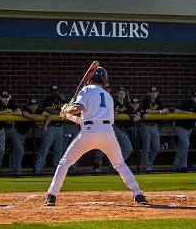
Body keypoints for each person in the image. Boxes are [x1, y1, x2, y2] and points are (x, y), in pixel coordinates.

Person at [44, 67, 147, 206]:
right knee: (120, 165)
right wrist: (68, 115)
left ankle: (52, 195)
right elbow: (86, 119)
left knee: (65, 163)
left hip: (88, 132)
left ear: (91, 79)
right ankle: (139, 194)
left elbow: (79, 109)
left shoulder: (86, 90)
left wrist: (67, 109)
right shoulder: (108, 96)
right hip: (107, 133)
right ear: (104, 81)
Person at [92, 87, 133, 171]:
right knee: (104, 146)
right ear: (117, 94)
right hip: (113, 127)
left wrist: (137, 114)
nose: (121, 95)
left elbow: (133, 112)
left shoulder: (127, 103)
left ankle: (113, 164)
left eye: (123, 93)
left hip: (123, 129)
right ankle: (98, 165)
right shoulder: (112, 102)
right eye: (120, 93)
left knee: (127, 148)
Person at [34, 86, 67, 175]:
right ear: (50, 92)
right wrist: (61, 113)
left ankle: (58, 172)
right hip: (50, 127)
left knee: (59, 151)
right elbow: (49, 110)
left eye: (56, 91)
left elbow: (68, 109)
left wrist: (63, 99)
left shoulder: (61, 100)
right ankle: (38, 170)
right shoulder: (47, 100)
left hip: (60, 127)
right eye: (53, 91)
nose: (55, 93)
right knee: (44, 149)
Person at [0, 91, 22, 175]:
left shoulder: (11, 103)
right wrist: (5, 112)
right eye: (3, 97)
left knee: (1, 150)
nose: (5, 99)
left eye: (6, 97)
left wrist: (11, 113)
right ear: (0, 98)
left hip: (1, 129)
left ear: (9, 97)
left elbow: (19, 112)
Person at [139, 87, 169, 171]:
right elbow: (148, 111)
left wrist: (165, 110)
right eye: (152, 92)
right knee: (146, 147)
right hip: (146, 125)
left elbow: (164, 110)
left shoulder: (158, 101)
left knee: (157, 147)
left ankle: (149, 163)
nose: (153, 94)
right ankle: (146, 166)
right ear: (149, 93)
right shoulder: (146, 100)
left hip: (155, 126)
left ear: (157, 93)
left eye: (155, 92)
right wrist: (160, 112)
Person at [12, 98, 41, 174]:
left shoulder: (38, 112)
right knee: (21, 151)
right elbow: (24, 113)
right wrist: (34, 118)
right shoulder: (26, 110)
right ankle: (18, 171)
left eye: (35, 105)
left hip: (24, 134)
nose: (34, 107)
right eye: (32, 105)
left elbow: (45, 118)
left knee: (17, 151)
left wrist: (44, 126)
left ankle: (15, 169)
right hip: (16, 132)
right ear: (29, 106)